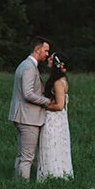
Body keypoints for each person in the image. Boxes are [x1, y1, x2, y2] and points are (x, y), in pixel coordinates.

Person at [8, 36, 54, 179]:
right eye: (46, 51)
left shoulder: (24, 65)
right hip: (28, 118)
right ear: (37, 49)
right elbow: (28, 93)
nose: (47, 54)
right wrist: (47, 101)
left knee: (22, 154)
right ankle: (23, 187)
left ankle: (17, 184)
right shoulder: (29, 67)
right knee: (27, 157)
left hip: (23, 116)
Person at [35, 52, 73, 180]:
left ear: (56, 64)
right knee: (52, 145)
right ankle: (54, 173)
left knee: (51, 144)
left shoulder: (58, 83)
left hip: (54, 120)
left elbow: (60, 105)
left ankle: (53, 174)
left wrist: (44, 106)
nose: (48, 60)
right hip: (57, 119)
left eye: (51, 59)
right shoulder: (59, 80)